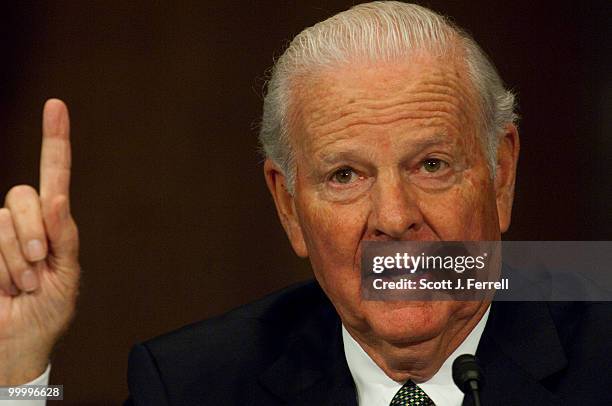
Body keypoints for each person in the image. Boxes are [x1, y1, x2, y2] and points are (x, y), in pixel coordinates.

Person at [1, 2, 610, 405]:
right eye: (345, 175)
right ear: (289, 208)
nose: (394, 219)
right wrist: (17, 373)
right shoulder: (193, 384)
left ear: (500, 174)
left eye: (431, 165)